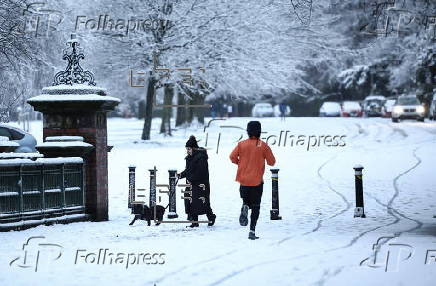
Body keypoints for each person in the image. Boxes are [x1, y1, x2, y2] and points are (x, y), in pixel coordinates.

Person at [229, 121, 276, 240]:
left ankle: (245, 205)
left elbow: (232, 157)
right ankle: (252, 230)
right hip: (257, 182)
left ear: (248, 131)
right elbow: (272, 162)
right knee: (256, 206)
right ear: (259, 131)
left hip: (243, 180)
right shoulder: (263, 145)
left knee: (246, 201)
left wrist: (240, 164)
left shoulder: (241, 144)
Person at [178, 135, 216, 228]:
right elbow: (188, 170)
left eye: (189, 149)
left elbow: (201, 172)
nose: (187, 151)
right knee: (190, 202)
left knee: (202, 203)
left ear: (194, 148)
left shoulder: (201, 157)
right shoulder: (189, 158)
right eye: (187, 149)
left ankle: (211, 217)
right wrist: (181, 175)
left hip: (201, 184)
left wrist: (191, 178)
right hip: (191, 183)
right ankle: (194, 222)